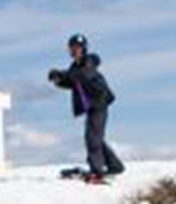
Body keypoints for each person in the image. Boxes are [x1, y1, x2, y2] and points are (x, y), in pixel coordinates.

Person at [48, 34, 123, 183]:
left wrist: (62, 75)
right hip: (91, 106)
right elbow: (73, 82)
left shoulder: (89, 62)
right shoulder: (75, 66)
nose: (75, 51)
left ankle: (97, 171)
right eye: (72, 48)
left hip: (99, 103)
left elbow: (82, 75)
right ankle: (115, 166)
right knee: (96, 137)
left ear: (84, 49)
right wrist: (58, 80)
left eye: (78, 48)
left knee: (92, 138)